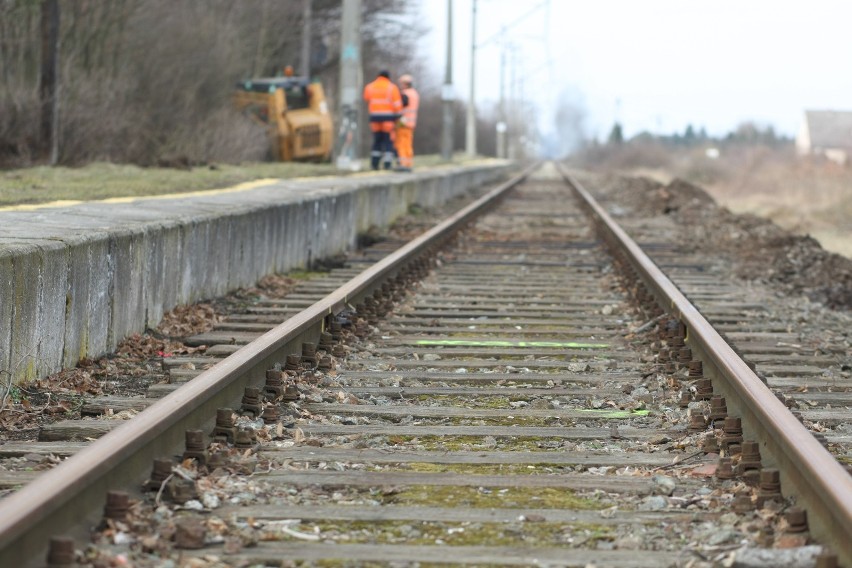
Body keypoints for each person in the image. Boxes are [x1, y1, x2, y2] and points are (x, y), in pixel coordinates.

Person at [363, 70, 402, 170]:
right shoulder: (392, 87)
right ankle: (387, 164)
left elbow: (366, 98)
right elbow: (397, 105)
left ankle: (374, 164)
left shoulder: (370, 86)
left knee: (377, 140)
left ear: (378, 76)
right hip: (388, 118)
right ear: (388, 77)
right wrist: (398, 117)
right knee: (387, 141)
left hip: (374, 118)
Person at [394, 74, 420, 172]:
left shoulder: (405, 94)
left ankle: (403, 164)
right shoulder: (415, 93)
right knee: (408, 143)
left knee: (401, 143)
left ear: (405, 84)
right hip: (411, 123)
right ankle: (408, 163)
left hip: (403, 122)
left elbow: (400, 107)